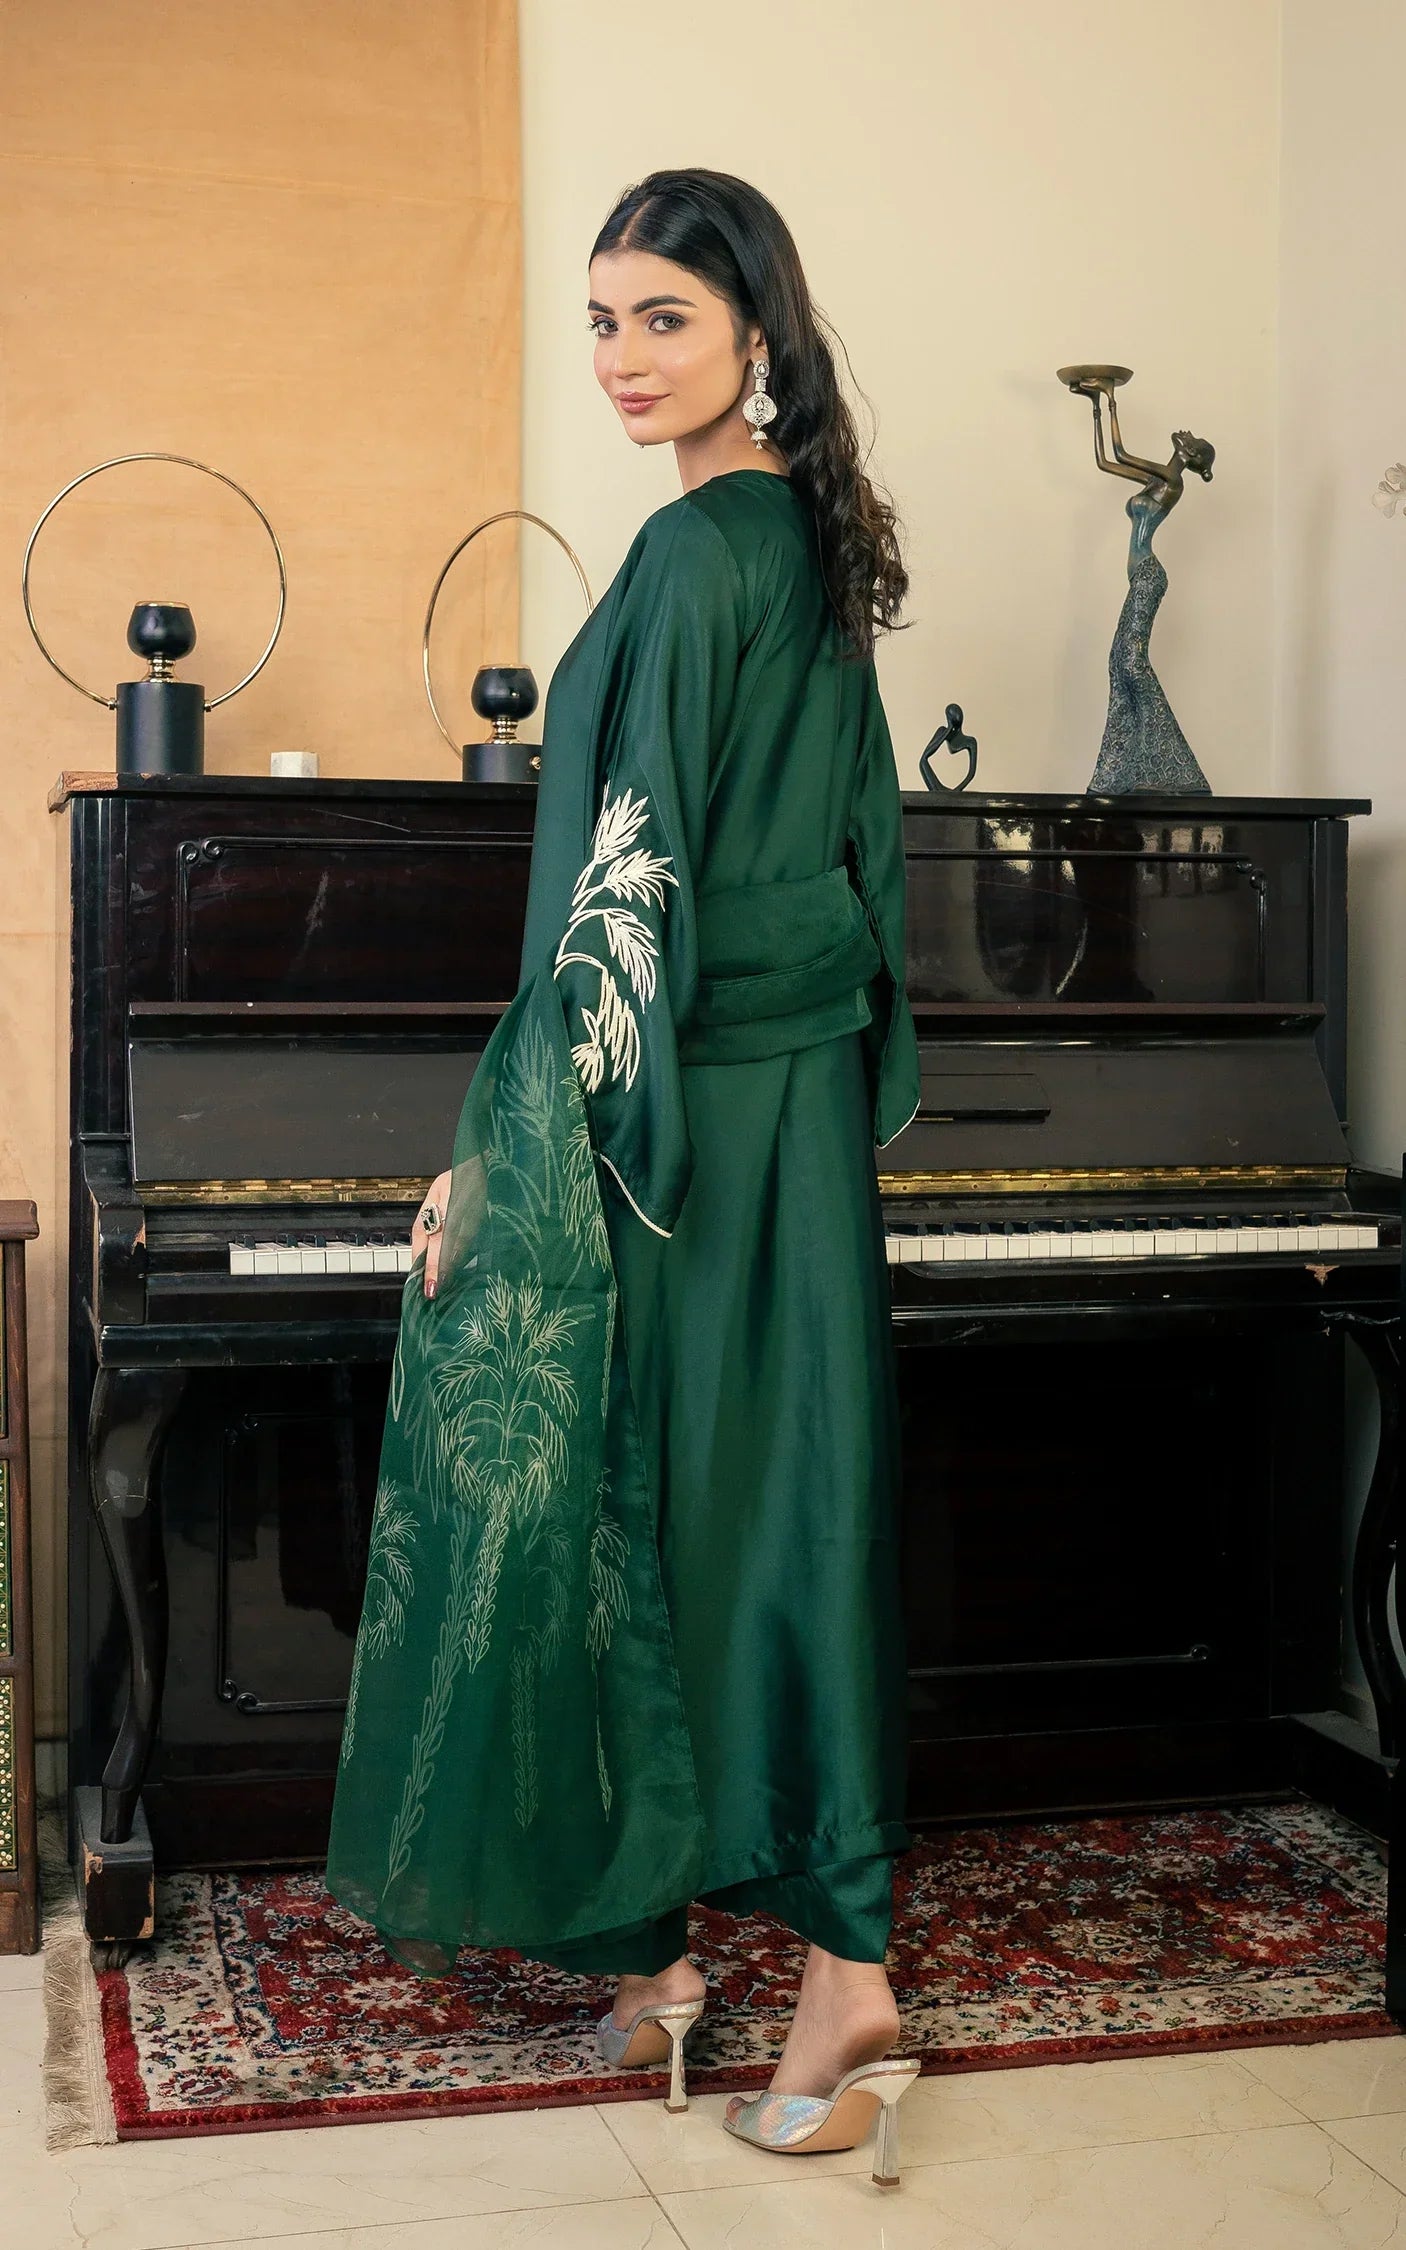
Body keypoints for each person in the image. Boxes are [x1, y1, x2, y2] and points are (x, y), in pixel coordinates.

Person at [325, 166, 923, 2185]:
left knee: (712, 1513)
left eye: (660, 316)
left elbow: (621, 898)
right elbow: (812, 873)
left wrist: (498, 1163)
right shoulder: (807, 544)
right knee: (731, 1508)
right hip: (778, 1110)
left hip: (691, 1127)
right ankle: (663, 1941)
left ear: (758, 328)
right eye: (595, 321)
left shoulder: (702, 559)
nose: (620, 361)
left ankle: (846, 1978)